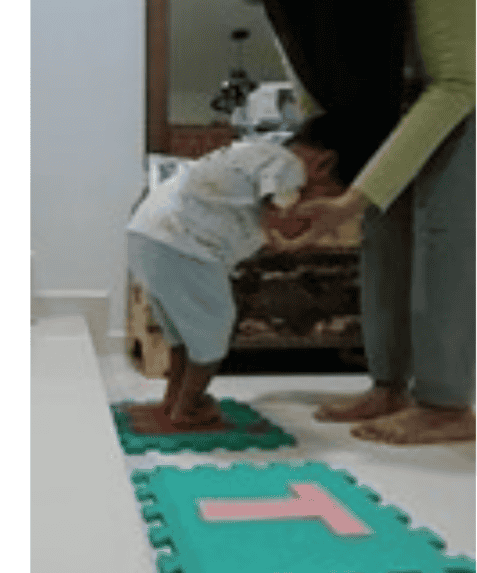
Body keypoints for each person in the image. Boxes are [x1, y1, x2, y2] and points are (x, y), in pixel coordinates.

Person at [262, 0, 475, 444]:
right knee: (384, 233)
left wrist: (352, 198)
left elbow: (459, 83)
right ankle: (389, 386)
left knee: (445, 235)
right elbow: (313, 80)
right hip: (387, 104)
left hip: (463, 96)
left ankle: (446, 404)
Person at [125, 119, 344, 432]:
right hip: (186, 244)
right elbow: (277, 210)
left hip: (147, 234)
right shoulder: (288, 164)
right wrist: (292, 234)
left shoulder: (249, 152)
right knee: (214, 330)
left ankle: (173, 401)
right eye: (327, 192)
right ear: (323, 164)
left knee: (183, 334)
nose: (314, 198)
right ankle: (188, 408)